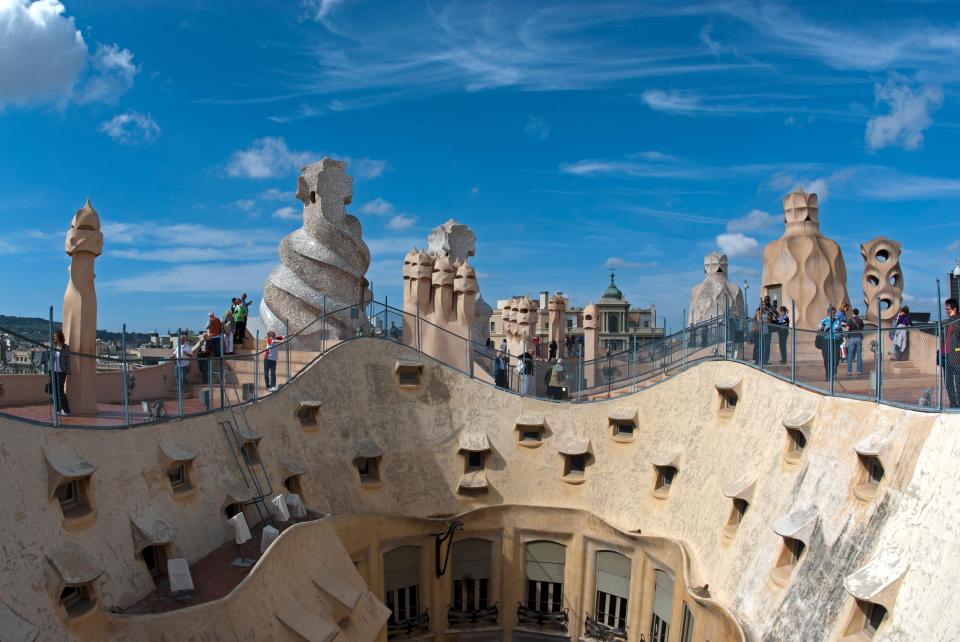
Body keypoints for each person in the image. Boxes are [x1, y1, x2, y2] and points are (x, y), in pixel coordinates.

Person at [818, 306, 843, 380]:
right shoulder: (823, 321)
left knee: (836, 358)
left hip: (836, 342)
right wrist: (823, 330)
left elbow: (842, 331)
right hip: (826, 341)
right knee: (827, 358)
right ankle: (828, 374)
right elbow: (819, 331)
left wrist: (840, 333)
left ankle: (833, 373)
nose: (833, 314)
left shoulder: (838, 321)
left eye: (834, 313)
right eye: (832, 313)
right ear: (828, 313)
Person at [943, 298, 960, 408]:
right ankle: (953, 404)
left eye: (948, 309)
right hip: (946, 355)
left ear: (954, 308)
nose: (946, 311)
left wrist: (954, 317)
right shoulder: (948, 322)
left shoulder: (957, 320)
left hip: (956, 355)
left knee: (958, 382)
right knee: (948, 383)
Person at [52, 330, 71, 416]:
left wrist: (67, 370)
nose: (55, 338)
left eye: (56, 336)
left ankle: (66, 410)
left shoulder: (65, 347)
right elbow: (51, 360)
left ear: (60, 337)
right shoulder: (53, 347)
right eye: (54, 336)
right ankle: (57, 409)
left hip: (62, 372)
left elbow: (68, 360)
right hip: (54, 371)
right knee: (55, 391)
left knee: (60, 391)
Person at [844, 308, 865, 376]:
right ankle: (859, 371)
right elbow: (862, 329)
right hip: (859, 338)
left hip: (852, 338)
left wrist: (846, 336)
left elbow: (847, 330)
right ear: (858, 313)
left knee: (850, 354)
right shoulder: (860, 320)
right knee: (859, 354)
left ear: (853, 313)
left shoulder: (850, 320)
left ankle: (849, 371)